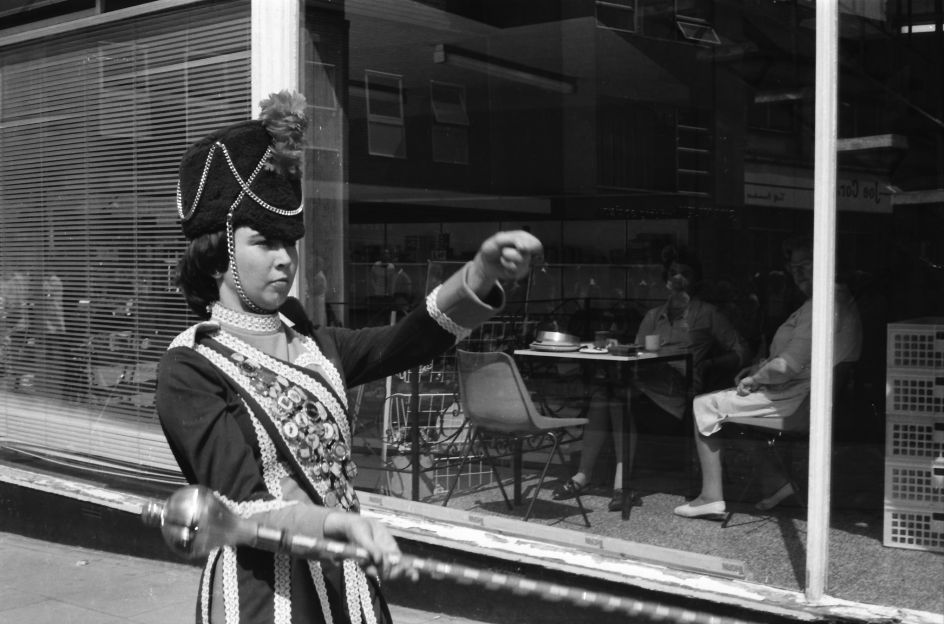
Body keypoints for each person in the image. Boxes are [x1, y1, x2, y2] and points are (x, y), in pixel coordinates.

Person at [154, 90, 542, 624]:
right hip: (263, 597)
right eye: (265, 242)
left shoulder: (315, 344)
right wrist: (342, 526)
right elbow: (240, 506)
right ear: (217, 256)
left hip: (347, 587)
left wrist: (480, 273)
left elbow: (411, 338)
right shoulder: (189, 367)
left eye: (289, 243)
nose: (285, 260)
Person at [674, 234, 862, 520]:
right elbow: (800, 359)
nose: (798, 273)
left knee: (705, 405)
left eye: (807, 265)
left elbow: (789, 365)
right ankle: (777, 484)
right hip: (806, 397)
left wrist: (756, 379)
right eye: (794, 267)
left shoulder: (822, 306)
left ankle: (710, 497)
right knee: (736, 414)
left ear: (828, 263)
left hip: (798, 404)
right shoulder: (838, 301)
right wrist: (759, 368)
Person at [553, 248, 750, 511]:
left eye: (685, 273)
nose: (678, 278)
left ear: (696, 280)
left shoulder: (707, 314)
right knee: (606, 395)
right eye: (673, 273)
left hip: (677, 394)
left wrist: (710, 364)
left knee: (613, 397)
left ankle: (611, 483)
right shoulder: (652, 316)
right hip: (645, 386)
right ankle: (592, 478)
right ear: (666, 280)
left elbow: (741, 350)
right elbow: (635, 356)